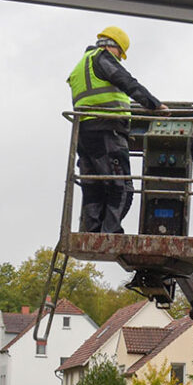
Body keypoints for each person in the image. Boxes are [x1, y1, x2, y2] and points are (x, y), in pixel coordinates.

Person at [67, 26, 164, 233]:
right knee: (123, 189)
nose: (119, 59)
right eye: (120, 55)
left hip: (84, 133)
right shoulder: (102, 58)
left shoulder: (80, 65)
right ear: (115, 47)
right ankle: (109, 235)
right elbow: (126, 81)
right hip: (107, 130)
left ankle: (92, 234)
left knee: (93, 190)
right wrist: (154, 104)